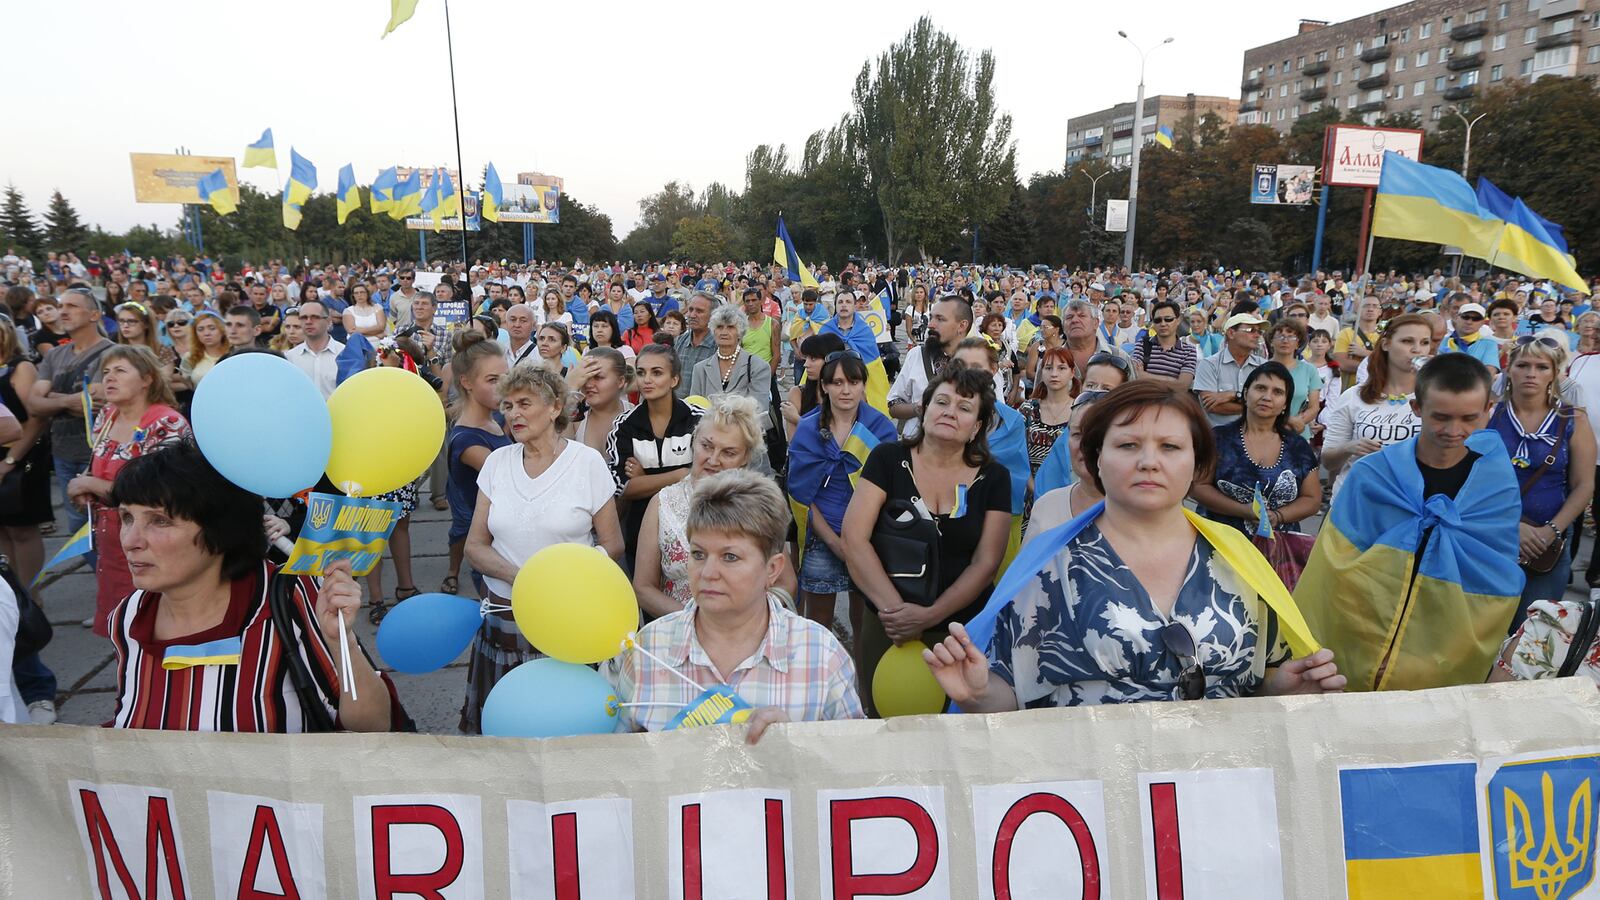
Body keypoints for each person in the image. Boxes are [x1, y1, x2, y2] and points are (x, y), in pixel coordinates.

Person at [924, 380, 1342, 711]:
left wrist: (1285, 688)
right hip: (1089, 799)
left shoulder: (1238, 555)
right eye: (1127, 445)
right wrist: (977, 695)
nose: (1148, 461)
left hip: (1214, 793)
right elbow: (1010, 696)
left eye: (1170, 447)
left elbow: (1262, 675)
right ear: (1095, 459)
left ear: (1197, 464)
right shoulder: (1050, 564)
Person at [103, 441, 402, 731]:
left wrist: (342, 643)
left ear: (220, 529)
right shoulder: (128, 617)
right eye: (127, 518)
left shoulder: (292, 599)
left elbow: (373, 725)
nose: (130, 541)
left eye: (160, 521)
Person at [1297, 354, 1523, 692]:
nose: (1453, 431)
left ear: (1489, 408)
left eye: (1469, 418)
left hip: (1441, 642)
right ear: (1417, 408)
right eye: (1441, 417)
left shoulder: (1497, 484)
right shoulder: (1373, 475)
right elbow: (1334, 564)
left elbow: (1496, 573)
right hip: (1360, 633)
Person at [609, 468, 862, 740]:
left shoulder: (821, 657)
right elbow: (610, 761)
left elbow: (854, 767)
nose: (708, 572)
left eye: (729, 557)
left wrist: (796, 745)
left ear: (772, 569)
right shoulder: (646, 652)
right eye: (698, 554)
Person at [841, 366, 1012, 716]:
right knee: (882, 726)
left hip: (959, 631)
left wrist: (930, 615)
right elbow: (854, 538)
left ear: (976, 427)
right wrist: (896, 613)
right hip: (889, 625)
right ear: (924, 408)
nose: (950, 411)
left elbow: (986, 562)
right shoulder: (888, 459)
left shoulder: (995, 477)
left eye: (965, 408)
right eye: (942, 402)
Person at [462, 364, 623, 733]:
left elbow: (613, 544)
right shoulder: (496, 464)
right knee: (509, 729)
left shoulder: (586, 463)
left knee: (565, 725)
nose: (514, 414)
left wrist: (566, 580)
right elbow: (475, 546)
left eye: (524, 403)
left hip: (567, 615)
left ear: (554, 408)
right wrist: (530, 581)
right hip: (507, 616)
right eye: (507, 406)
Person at [67, 346, 191, 636]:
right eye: (106, 372)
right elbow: (98, 465)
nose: (109, 378)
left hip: (156, 542)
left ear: (147, 379)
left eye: (120, 371)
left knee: (153, 625)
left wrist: (90, 485)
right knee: (120, 626)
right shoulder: (107, 417)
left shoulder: (166, 422)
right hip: (112, 541)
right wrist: (86, 489)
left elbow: (161, 493)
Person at [635, 395, 794, 616]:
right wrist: (695, 621)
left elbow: (785, 583)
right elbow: (643, 587)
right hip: (681, 633)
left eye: (728, 452)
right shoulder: (662, 504)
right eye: (707, 446)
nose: (713, 459)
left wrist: (747, 619)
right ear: (694, 441)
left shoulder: (759, 506)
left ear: (745, 458)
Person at [787, 351, 899, 630]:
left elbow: (890, 489)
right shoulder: (808, 429)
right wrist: (836, 544)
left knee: (864, 623)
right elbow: (802, 496)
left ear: (863, 384)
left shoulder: (882, 429)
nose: (846, 390)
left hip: (870, 541)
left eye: (853, 381)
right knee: (818, 624)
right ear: (824, 387)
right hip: (822, 539)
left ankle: (861, 675)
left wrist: (855, 543)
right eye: (837, 383)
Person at [1489, 337, 1594, 626]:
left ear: (1554, 373)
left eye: (1541, 366)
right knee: (1482, 626)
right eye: (1523, 365)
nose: (1531, 373)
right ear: (1509, 369)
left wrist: (1552, 531)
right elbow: (1472, 478)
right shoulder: (1488, 413)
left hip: (1546, 542)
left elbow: (1584, 484)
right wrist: (1512, 526)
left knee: (1531, 631)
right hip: (1490, 534)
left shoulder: (1573, 417)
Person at [1190, 362, 1322, 534]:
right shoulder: (1219, 438)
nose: (1267, 397)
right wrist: (1243, 510)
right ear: (1246, 394)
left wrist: (1277, 516)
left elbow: (1312, 499)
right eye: (1260, 388)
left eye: (1277, 392)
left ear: (1284, 405)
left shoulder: (1298, 448)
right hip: (1220, 544)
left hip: (1278, 552)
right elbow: (1198, 487)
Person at [29, 287, 114, 547]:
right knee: (78, 528)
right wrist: (71, 401)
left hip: (99, 452)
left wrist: (53, 397)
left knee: (109, 526)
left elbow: (98, 401)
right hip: (63, 453)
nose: (63, 311)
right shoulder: (55, 354)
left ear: (94, 314)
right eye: (61, 306)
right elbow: (34, 403)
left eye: (73, 306)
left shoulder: (113, 353)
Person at [1321, 313, 1432, 499]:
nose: (1417, 349)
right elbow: (1328, 461)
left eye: (1424, 342)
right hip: (1354, 505)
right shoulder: (1353, 396)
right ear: (1386, 344)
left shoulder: (1435, 397)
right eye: (1407, 341)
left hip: (1411, 506)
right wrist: (1349, 447)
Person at [609, 344, 702, 566]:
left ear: (674, 380)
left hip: (694, 535)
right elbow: (623, 488)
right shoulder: (624, 426)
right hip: (641, 538)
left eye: (657, 372)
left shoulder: (699, 421)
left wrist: (644, 478)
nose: (646, 380)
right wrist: (680, 474)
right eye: (641, 372)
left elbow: (708, 478)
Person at [443, 333, 510, 598]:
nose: (503, 386)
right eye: (493, 380)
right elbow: (513, 475)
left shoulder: (493, 419)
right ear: (466, 382)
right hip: (488, 551)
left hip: (501, 537)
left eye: (506, 377)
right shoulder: (467, 441)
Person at [1027, 389, 1110, 537]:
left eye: (1097, 435)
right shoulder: (1047, 506)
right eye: (1077, 434)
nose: (1085, 445)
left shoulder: (1137, 513)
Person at [686, 306, 773, 446]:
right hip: (709, 442)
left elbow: (759, 411)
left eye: (731, 327)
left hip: (746, 442)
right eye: (719, 327)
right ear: (713, 331)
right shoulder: (700, 368)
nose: (724, 332)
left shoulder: (759, 366)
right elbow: (695, 410)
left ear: (740, 332)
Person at [888, 296, 971, 436]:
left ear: (962, 326)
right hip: (916, 447)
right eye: (931, 317)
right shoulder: (916, 355)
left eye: (940, 319)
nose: (931, 324)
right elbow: (893, 405)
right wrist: (917, 408)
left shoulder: (976, 362)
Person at [1194, 312, 1268, 427]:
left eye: (1259, 331)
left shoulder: (1263, 366)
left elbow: (1268, 402)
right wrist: (1253, 405)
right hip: (1219, 438)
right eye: (1251, 330)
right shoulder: (1209, 365)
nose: (1257, 335)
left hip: (1255, 436)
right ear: (1231, 333)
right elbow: (1212, 406)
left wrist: (1235, 395)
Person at [568, 347, 634, 457]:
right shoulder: (575, 417)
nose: (589, 384)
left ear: (621, 381)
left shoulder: (636, 416)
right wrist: (570, 389)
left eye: (598, 377)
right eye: (585, 377)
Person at [1265, 318, 1323, 439]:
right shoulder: (1261, 369)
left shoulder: (1309, 370)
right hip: (1266, 431)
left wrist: (1298, 422)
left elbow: (1314, 407)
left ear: (1298, 343)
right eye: (1280, 336)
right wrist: (1288, 421)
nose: (1285, 341)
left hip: (1297, 434)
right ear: (1271, 341)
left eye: (1291, 337)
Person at [284, 299, 344, 400]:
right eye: (303, 318)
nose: (308, 322)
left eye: (315, 317)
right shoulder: (290, 357)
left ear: (328, 321)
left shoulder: (344, 354)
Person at [1131, 300, 1196, 388]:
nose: (1163, 323)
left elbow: (1182, 387)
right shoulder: (1142, 344)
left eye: (1168, 319)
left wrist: (1144, 376)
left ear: (1178, 320)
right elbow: (1133, 376)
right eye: (1158, 320)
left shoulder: (1188, 351)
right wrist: (1171, 380)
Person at [1333, 296, 1382, 391]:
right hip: (1349, 389)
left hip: (1377, 389)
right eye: (1366, 306)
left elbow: (1390, 364)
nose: (1370, 309)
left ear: (1380, 312)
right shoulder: (1346, 333)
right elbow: (1342, 363)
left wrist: (1365, 353)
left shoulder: (1385, 337)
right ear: (1358, 310)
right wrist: (1377, 365)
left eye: (1375, 306)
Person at [673, 292, 717, 396]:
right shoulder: (679, 341)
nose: (692, 315)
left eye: (699, 311)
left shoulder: (719, 345)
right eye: (690, 309)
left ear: (713, 315)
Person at [1439, 301, 1499, 374]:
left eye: (1476, 319)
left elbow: (1489, 372)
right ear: (1457, 317)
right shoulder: (1443, 341)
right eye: (1465, 317)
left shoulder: (1489, 344)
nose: (1469, 322)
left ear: (1482, 322)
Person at [180, 310, 228, 389]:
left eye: (212, 328)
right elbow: (188, 383)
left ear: (222, 330)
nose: (206, 333)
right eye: (200, 329)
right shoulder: (190, 357)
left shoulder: (233, 354)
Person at [740, 288, 781, 367]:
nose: (751, 304)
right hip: (745, 371)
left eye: (754, 300)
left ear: (761, 301)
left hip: (765, 369)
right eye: (747, 301)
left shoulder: (772, 324)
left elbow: (776, 355)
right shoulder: (741, 324)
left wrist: (768, 376)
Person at [503, 303, 539, 369]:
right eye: (513, 320)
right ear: (506, 323)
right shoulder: (498, 353)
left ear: (533, 325)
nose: (517, 325)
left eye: (523, 321)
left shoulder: (539, 356)